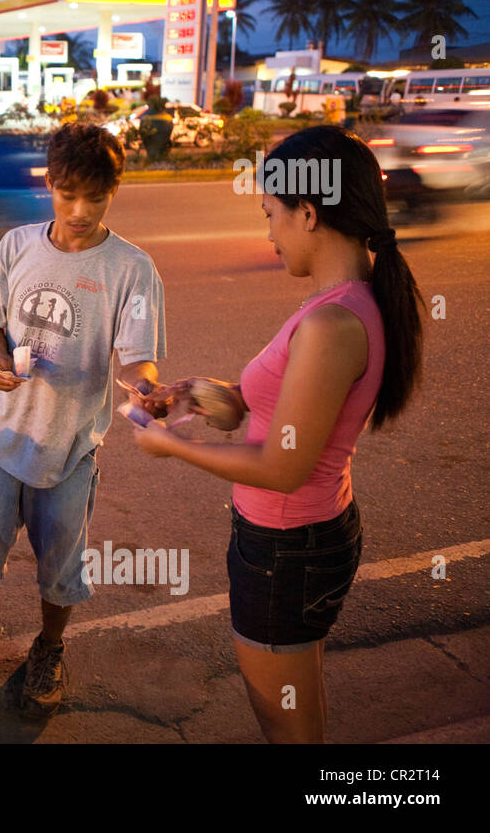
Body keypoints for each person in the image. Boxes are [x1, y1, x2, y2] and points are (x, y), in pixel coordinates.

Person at [131, 125, 423, 743]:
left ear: (308, 212)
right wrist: (206, 396)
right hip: (301, 537)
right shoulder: (343, 302)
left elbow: (284, 466)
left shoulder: (334, 322)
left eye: (271, 214)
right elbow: (279, 416)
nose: (268, 234)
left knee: (282, 717)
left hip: (287, 549)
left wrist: (172, 445)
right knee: (298, 694)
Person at [0, 122, 168, 720]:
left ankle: (49, 648)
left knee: (60, 570)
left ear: (113, 192)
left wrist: (148, 391)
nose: (79, 211)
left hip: (69, 448)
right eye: (68, 195)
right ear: (50, 184)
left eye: (94, 198)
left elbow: (137, 359)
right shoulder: (16, 245)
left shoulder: (132, 268)